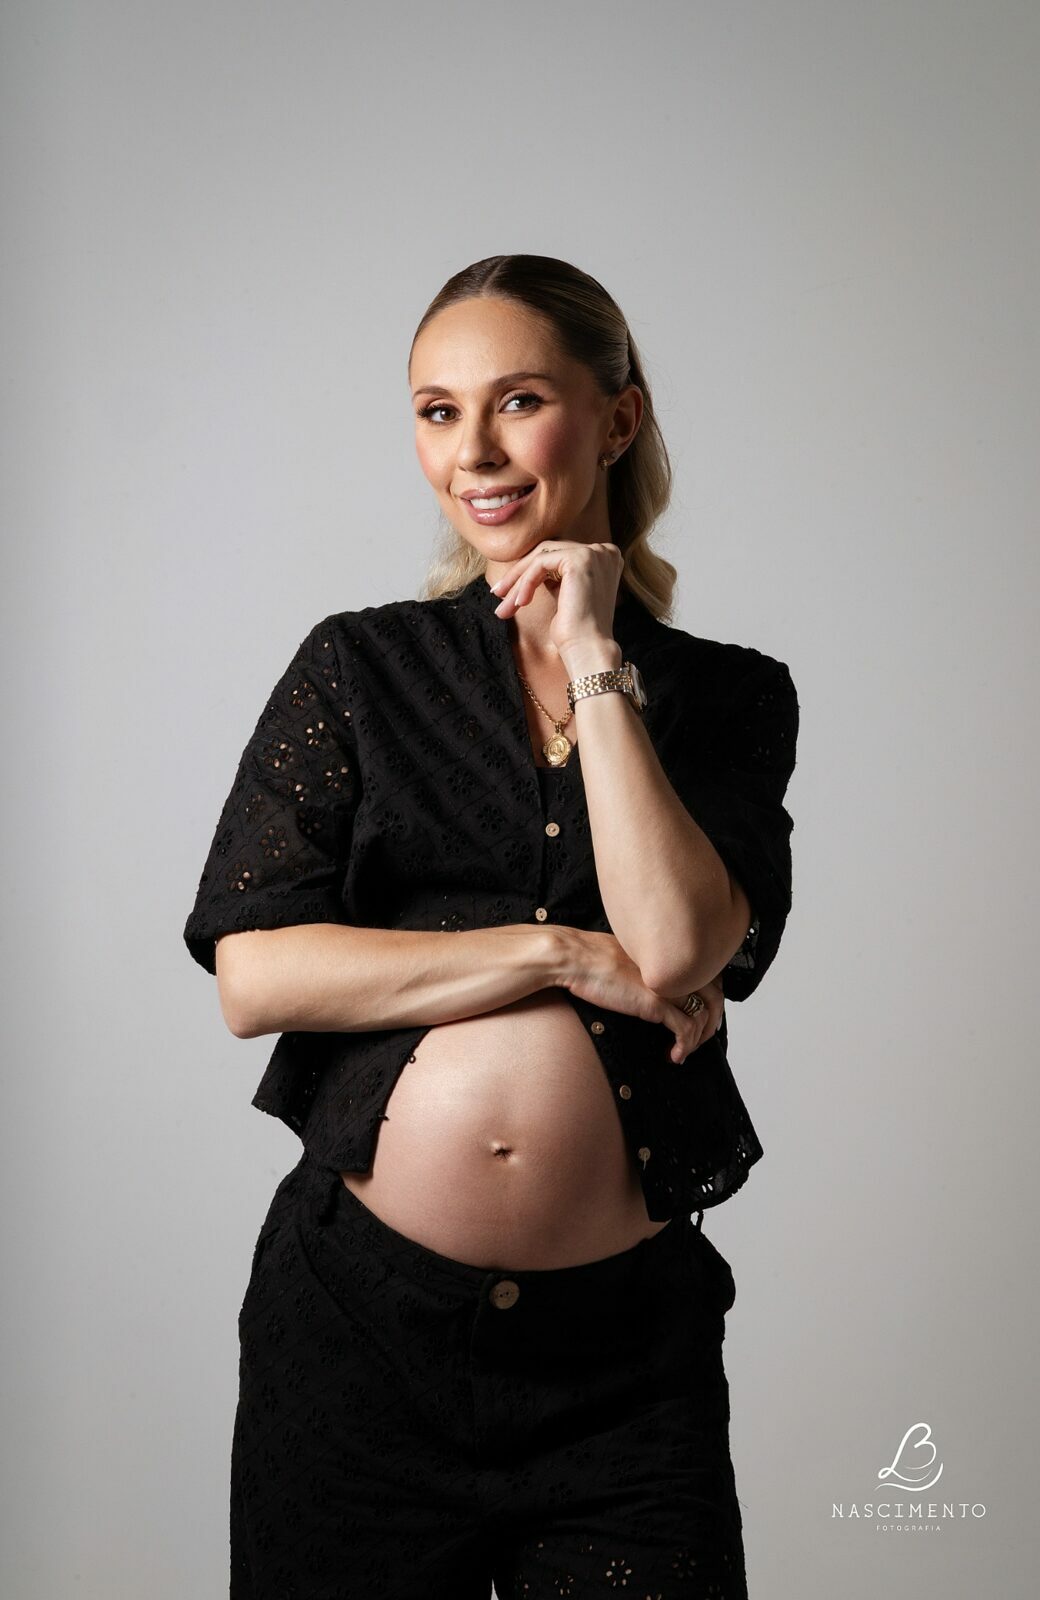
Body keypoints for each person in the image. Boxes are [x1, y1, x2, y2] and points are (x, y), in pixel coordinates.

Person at [183, 253, 800, 1600]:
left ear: (617, 419)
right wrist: (559, 954)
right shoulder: (359, 668)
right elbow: (255, 973)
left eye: (518, 401)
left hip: (622, 1368)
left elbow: (680, 949)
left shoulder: (733, 698)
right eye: (436, 410)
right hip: (359, 1341)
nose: (473, 450)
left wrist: (596, 655)